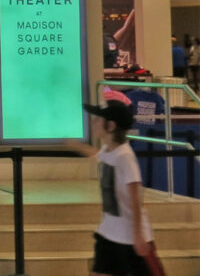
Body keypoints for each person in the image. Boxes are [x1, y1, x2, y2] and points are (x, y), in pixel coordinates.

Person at [66, 100, 164, 276]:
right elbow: (98, 155)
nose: (94, 123)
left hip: (129, 238)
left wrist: (139, 236)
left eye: (98, 119)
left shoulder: (125, 157)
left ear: (110, 126)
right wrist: (75, 146)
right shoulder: (109, 150)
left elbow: (135, 197)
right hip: (109, 232)